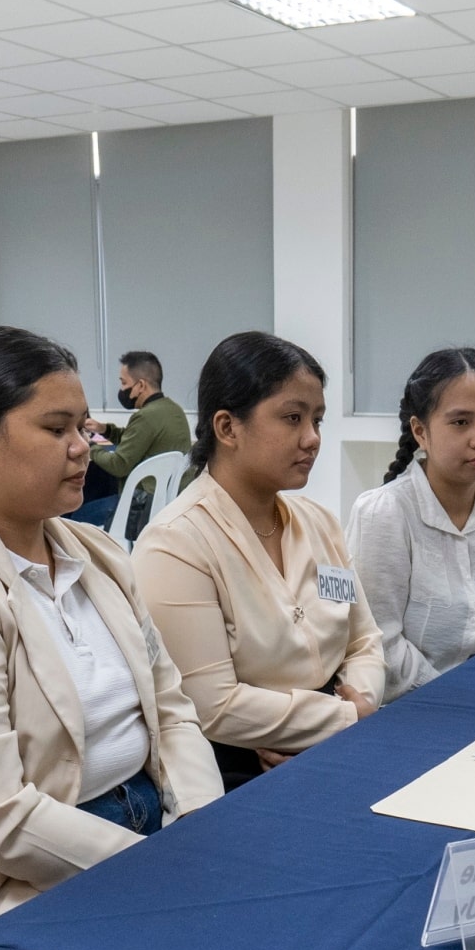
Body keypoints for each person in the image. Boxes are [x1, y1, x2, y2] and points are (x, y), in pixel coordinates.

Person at [0, 325, 221, 932]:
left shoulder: (97, 554)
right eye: (57, 430)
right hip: (10, 877)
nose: (83, 447)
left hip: (145, 828)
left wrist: (200, 825)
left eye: (83, 427)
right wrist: (163, 871)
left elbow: (171, 709)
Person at [132, 332, 383, 791]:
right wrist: (347, 717)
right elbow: (214, 706)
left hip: (343, 735)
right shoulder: (177, 545)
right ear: (227, 428)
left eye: (317, 420)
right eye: (292, 418)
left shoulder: (319, 523)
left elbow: (363, 640)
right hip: (240, 767)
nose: (312, 439)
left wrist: (359, 703)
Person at [345, 347, 475, 699]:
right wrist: (457, 695)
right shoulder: (385, 514)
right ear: (421, 431)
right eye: (461, 422)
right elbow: (378, 641)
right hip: (408, 705)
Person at [74, 350, 192, 539]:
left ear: (140, 386)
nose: (122, 389)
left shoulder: (145, 416)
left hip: (140, 506)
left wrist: (90, 446)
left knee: (75, 515)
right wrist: (104, 429)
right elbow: (135, 439)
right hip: (165, 501)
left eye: (124, 383)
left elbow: (119, 465)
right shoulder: (172, 410)